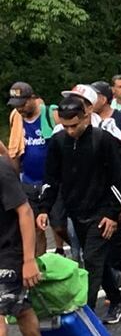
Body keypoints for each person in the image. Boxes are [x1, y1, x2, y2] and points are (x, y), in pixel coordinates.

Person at [38, 96, 121, 324]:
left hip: (101, 210)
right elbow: (51, 179)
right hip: (76, 211)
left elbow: (120, 179)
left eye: (74, 125)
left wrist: (112, 213)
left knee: (90, 259)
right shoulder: (58, 142)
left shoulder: (103, 140)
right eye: (65, 126)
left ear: (86, 117)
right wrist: (44, 208)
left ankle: (85, 314)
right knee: (96, 260)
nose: (70, 131)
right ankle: (117, 301)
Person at [0, 158, 55, 336]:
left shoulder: (1, 170)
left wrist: (29, 260)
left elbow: (24, 211)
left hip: (9, 251)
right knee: (21, 309)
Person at [5, 83, 59, 256]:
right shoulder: (16, 117)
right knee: (36, 228)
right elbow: (14, 150)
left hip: (53, 182)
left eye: (22, 103)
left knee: (59, 225)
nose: (19, 108)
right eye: (15, 105)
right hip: (28, 181)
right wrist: (15, 180)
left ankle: (69, 250)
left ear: (33, 98)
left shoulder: (51, 114)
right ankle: (39, 265)